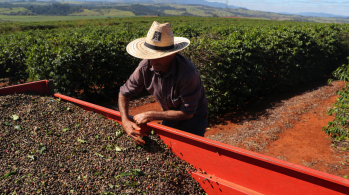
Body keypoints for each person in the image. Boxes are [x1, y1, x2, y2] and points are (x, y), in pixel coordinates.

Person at [118, 21, 208, 145]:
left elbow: (187, 113)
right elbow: (124, 93)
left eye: (158, 57)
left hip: (193, 119)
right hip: (168, 114)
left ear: (172, 54)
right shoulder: (146, 66)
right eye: (150, 57)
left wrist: (151, 114)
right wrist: (125, 120)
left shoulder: (188, 73)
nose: (153, 63)